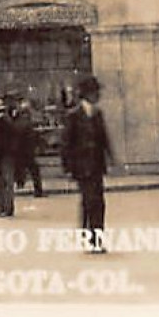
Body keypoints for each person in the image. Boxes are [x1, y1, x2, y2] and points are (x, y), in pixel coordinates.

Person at [61, 75, 114, 251]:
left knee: (97, 202)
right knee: (90, 201)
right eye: (95, 92)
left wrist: (111, 159)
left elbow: (104, 138)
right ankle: (92, 239)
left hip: (97, 165)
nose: (98, 95)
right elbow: (67, 143)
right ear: (88, 94)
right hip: (82, 167)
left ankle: (93, 237)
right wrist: (68, 167)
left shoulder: (98, 114)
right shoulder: (74, 115)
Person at [14, 100, 44, 198]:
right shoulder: (27, 123)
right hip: (27, 151)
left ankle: (20, 183)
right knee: (34, 170)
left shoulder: (17, 122)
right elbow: (31, 137)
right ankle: (38, 190)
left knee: (20, 168)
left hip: (19, 151)